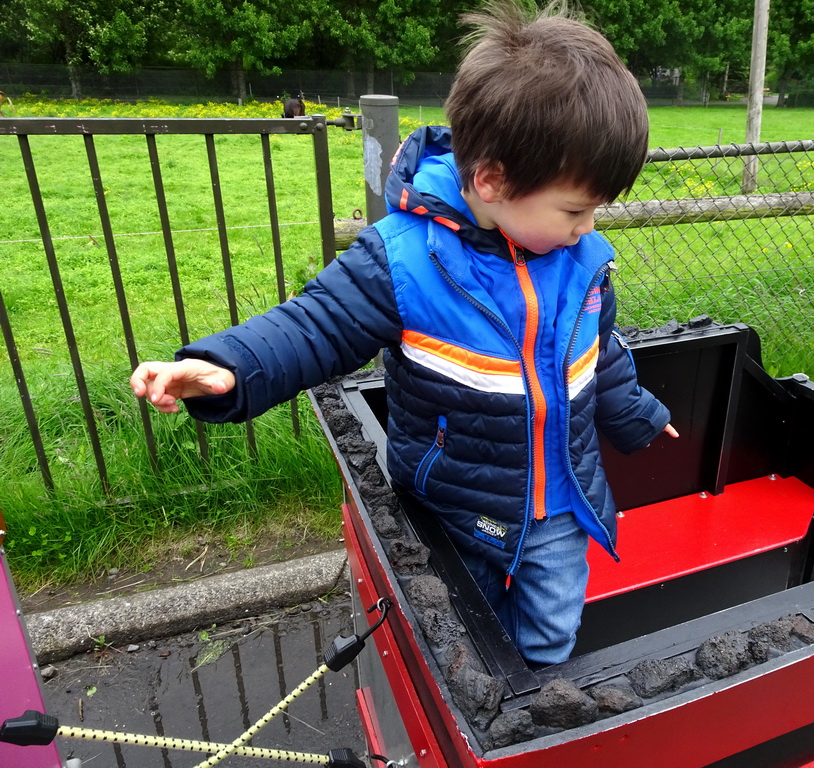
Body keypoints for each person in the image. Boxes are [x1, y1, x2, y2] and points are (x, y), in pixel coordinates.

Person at [130, 0, 676, 665]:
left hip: (561, 501)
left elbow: (599, 354)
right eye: (575, 209)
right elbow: (314, 326)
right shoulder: (403, 259)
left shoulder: (580, 260)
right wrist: (229, 367)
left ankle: (537, 695)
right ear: (492, 179)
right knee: (469, 626)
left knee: (553, 623)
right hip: (456, 501)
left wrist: (635, 414)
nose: (587, 228)